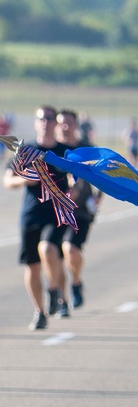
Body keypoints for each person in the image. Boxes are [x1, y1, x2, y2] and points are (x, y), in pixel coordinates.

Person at [2, 105, 70, 328]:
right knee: (32, 266)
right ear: (36, 122)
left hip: (57, 212)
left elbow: (80, 177)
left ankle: (54, 290)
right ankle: (39, 312)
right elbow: (7, 180)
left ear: (56, 123)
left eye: (50, 118)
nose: (45, 122)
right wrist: (24, 180)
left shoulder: (64, 151)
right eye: (41, 118)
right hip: (31, 214)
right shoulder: (26, 151)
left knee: (48, 248)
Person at [57, 109, 100, 310]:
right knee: (56, 256)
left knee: (70, 249)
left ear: (76, 125)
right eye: (62, 123)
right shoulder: (53, 150)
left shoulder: (86, 149)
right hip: (56, 210)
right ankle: (62, 301)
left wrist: (98, 197)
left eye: (69, 123)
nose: (65, 127)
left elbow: (102, 174)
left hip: (81, 210)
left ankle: (75, 282)